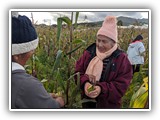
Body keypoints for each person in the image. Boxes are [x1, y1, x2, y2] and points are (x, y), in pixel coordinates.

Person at [75, 16, 132, 108]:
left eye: (104, 41)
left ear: (113, 43)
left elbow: (122, 85)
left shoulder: (121, 59)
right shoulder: (89, 53)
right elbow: (78, 73)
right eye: (98, 40)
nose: (100, 45)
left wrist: (101, 89)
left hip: (108, 106)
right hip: (87, 104)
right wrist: (85, 83)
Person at [11, 12, 64, 109]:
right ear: (16, 55)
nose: (33, 52)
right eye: (31, 49)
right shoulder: (27, 85)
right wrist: (58, 103)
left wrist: (40, 96)